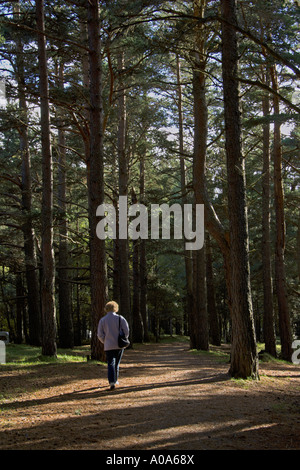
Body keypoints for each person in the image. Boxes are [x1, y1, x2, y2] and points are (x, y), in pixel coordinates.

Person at [97, 301, 129, 390]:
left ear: (106, 308)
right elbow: (126, 330)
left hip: (108, 345)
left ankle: (111, 382)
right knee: (117, 363)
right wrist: (123, 338)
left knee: (110, 363)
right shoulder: (120, 318)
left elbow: (99, 334)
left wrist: (104, 341)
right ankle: (115, 380)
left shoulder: (103, 320)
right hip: (119, 345)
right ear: (115, 308)